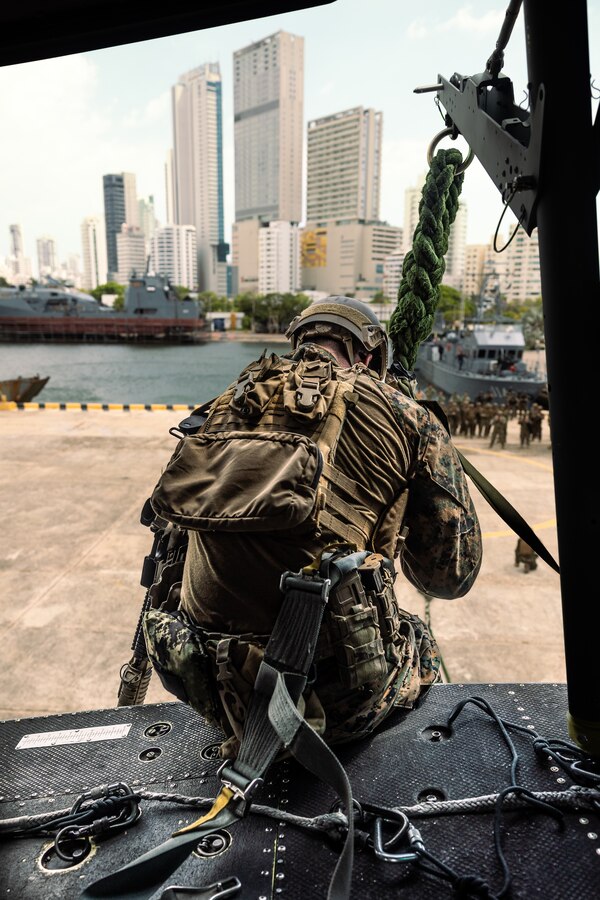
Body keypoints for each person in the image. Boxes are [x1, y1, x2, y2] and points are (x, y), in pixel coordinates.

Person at [147, 296, 483, 757]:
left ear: (299, 341)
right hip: (333, 707)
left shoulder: (223, 403)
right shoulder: (408, 417)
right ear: (367, 355)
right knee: (417, 640)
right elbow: (449, 578)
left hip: (205, 687)